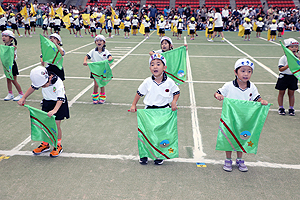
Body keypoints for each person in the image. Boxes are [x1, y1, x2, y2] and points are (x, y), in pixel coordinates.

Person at [214, 58, 268, 172]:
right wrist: (218, 96)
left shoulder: (252, 86)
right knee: (229, 138)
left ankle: (239, 159)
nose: (246, 74)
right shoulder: (229, 85)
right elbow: (217, 93)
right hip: (230, 118)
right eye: (243, 71)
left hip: (245, 119)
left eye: (249, 71)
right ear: (235, 72)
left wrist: (261, 101)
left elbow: (257, 97)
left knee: (242, 138)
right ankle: (228, 159)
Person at [129, 53, 180, 165]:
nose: (155, 67)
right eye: (152, 65)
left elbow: (176, 92)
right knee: (146, 133)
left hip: (163, 112)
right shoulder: (147, 81)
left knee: (161, 134)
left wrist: (174, 102)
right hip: (149, 112)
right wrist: (134, 104)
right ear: (150, 68)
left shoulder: (170, 82)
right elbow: (139, 93)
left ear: (164, 67)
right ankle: (144, 155)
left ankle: (159, 155)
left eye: (158, 64)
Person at [17, 66, 69, 157]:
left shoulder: (58, 83)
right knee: (45, 125)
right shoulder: (42, 80)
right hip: (47, 102)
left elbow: (61, 98)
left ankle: (58, 145)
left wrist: (54, 110)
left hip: (59, 104)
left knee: (56, 125)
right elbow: (32, 87)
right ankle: (45, 144)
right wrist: (23, 97)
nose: (43, 87)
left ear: (49, 77)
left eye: (44, 85)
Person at [83, 35, 113, 104]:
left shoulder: (106, 51)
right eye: (97, 41)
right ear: (95, 42)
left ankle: (102, 97)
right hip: (95, 70)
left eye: (101, 41)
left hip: (103, 70)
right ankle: (95, 96)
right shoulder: (93, 51)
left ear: (104, 42)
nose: (99, 42)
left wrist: (110, 58)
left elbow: (110, 56)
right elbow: (86, 56)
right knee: (96, 84)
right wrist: (85, 61)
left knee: (102, 84)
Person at [275, 38, 299, 116]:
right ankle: (281, 107)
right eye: (292, 47)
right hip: (284, 77)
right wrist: (288, 65)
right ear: (287, 48)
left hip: (293, 77)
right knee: (281, 92)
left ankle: (291, 108)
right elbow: (280, 69)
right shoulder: (283, 58)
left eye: (296, 46)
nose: (294, 48)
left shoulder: (297, 58)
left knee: (291, 93)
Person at [2, 30, 23, 101]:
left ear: (11, 38)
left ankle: (21, 94)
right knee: (8, 79)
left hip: (12, 65)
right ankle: (10, 94)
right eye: (2, 36)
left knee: (13, 80)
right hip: (6, 66)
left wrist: (13, 51)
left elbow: (14, 57)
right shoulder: (4, 47)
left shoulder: (12, 47)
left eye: (6, 36)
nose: (3, 37)